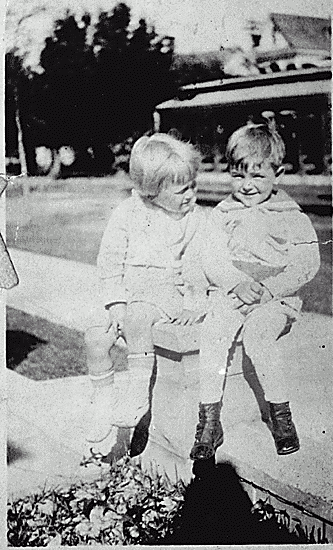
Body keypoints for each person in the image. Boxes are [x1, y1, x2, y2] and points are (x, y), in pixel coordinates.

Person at [189, 123, 320, 461]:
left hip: (274, 297)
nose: (246, 186)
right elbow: (211, 257)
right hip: (234, 292)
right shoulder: (223, 213)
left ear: (278, 173)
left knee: (259, 337)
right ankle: (209, 421)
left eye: (258, 177)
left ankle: (280, 415)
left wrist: (268, 288)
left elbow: (307, 262)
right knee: (214, 332)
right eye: (238, 175)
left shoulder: (290, 214)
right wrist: (235, 282)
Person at [83, 132, 212, 464]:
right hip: (126, 292)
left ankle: (137, 395)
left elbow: (202, 266)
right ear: (153, 190)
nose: (191, 194)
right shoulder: (127, 213)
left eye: (193, 185)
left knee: (140, 319)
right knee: (95, 337)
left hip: (164, 293)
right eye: (182, 189)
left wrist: (194, 302)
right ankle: (102, 402)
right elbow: (109, 259)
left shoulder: (195, 221)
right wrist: (115, 304)